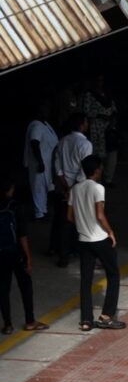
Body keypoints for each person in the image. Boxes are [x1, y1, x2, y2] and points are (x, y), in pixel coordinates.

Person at [70, 155, 124, 331]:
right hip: (99, 238)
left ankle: (86, 320)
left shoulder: (75, 189)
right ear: (97, 170)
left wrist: (83, 223)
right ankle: (106, 316)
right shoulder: (98, 188)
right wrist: (110, 232)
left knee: (86, 280)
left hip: (83, 240)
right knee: (113, 273)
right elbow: (100, 215)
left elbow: (69, 216)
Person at [0, 178, 47, 334]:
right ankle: (30, 321)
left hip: (1, 255)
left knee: (3, 290)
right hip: (16, 253)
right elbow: (22, 235)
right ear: (11, 189)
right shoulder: (15, 207)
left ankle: (7, 324)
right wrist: (28, 256)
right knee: (25, 286)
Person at [52, 113, 92, 267]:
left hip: (63, 187)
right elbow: (84, 170)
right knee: (79, 221)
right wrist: (73, 189)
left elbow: (58, 168)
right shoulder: (85, 144)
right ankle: (76, 251)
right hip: (78, 188)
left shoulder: (62, 141)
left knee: (63, 221)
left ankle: (63, 253)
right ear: (82, 124)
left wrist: (66, 187)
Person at [23, 103, 58, 220]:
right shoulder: (36, 125)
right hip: (39, 163)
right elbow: (34, 143)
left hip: (47, 163)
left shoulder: (45, 124)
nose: (48, 112)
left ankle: (44, 211)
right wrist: (40, 161)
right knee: (39, 188)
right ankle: (39, 214)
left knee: (46, 187)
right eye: (45, 110)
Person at [82, 75, 117, 186]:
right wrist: (100, 116)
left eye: (102, 80)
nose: (100, 83)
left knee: (111, 153)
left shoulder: (108, 95)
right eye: (98, 80)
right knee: (98, 154)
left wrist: (112, 121)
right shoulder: (89, 94)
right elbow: (86, 112)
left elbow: (114, 110)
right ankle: (98, 179)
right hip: (96, 128)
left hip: (109, 128)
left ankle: (108, 179)